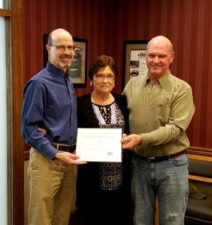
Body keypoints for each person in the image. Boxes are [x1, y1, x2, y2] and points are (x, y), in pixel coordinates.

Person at [122, 35, 195, 225]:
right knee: (140, 220)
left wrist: (140, 138)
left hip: (171, 165)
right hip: (139, 165)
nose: (155, 60)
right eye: (151, 55)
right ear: (145, 56)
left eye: (161, 56)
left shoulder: (182, 89)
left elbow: (175, 129)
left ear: (172, 57)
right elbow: (119, 116)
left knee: (172, 221)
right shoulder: (132, 84)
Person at [21, 28, 85, 225]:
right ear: (49, 48)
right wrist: (56, 153)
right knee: (41, 219)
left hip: (69, 160)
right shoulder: (39, 83)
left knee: (61, 218)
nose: (67, 52)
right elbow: (29, 129)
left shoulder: (67, 80)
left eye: (70, 47)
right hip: (47, 160)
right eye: (61, 47)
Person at [76, 55, 132, 225]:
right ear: (92, 79)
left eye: (109, 76)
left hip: (121, 178)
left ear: (115, 80)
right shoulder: (80, 104)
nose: (105, 80)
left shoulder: (123, 102)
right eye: (100, 75)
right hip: (92, 181)